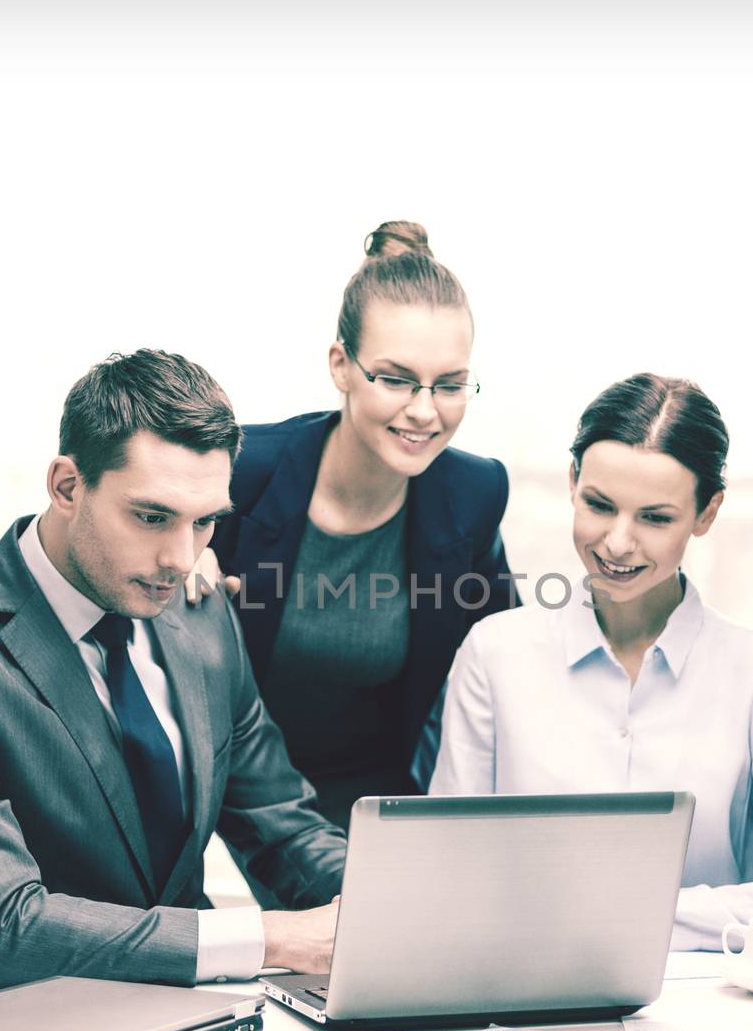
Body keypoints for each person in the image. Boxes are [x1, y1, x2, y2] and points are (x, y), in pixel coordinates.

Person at [0, 348, 347, 992]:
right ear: (67, 486)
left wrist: (388, 904)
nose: (182, 558)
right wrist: (271, 939)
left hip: (205, 1025)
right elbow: (0, 928)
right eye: (152, 517)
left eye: (204, 522)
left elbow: (281, 824)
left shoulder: (202, 618)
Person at [431, 374, 753, 951]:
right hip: (526, 998)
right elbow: (443, 877)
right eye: (600, 506)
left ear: (706, 513)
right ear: (572, 482)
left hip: (713, 1010)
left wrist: (600, 913)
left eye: (655, 518)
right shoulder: (493, 654)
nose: (618, 543)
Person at [195, 221, 518, 830]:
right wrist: (184, 551)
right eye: (395, 379)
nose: (424, 411)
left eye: (449, 385)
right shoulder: (239, 471)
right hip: (230, 782)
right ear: (341, 365)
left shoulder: (471, 495)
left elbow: (512, 655)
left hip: (377, 801)